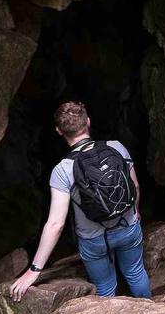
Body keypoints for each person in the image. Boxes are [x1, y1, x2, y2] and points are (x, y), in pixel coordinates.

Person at [10, 101, 151, 300]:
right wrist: (135, 212)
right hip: (127, 226)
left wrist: (34, 270)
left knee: (105, 286)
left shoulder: (62, 170)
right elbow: (134, 186)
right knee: (135, 273)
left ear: (59, 131)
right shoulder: (116, 147)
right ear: (89, 122)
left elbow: (56, 224)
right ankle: (149, 308)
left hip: (93, 240)